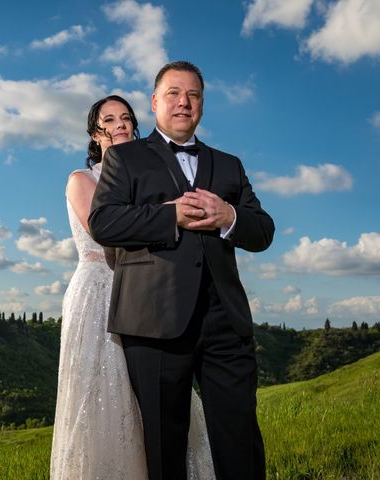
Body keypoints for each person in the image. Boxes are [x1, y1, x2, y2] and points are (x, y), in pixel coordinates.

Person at [89, 62, 275, 480]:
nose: (183, 102)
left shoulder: (229, 165)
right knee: (164, 448)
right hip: (153, 325)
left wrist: (229, 216)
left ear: (202, 105)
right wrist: (169, 216)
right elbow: (104, 223)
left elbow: (263, 231)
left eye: (193, 95)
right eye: (173, 93)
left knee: (240, 440)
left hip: (225, 322)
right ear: (155, 102)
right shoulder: (124, 158)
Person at [50, 94, 216, 480]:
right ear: (95, 133)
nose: (120, 123)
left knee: (154, 393)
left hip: (142, 288)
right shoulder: (82, 179)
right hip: (96, 291)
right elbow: (106, 232)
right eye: (109, 119)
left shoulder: (141, 182)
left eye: (126, 117)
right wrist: (168, 213)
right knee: (99, 395)